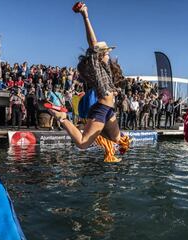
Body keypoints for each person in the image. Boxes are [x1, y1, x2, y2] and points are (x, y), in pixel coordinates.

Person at [48, 2, 130, 156]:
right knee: (83, 143)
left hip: (108, 110)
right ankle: (63, 118)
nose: (108, 54)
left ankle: (97, 131)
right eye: (106, 52)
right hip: (101, 109)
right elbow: (93, 43)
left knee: (117, 139)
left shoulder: (105, 69)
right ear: (99, 55)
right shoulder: (97, 66)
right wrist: (85, 16)